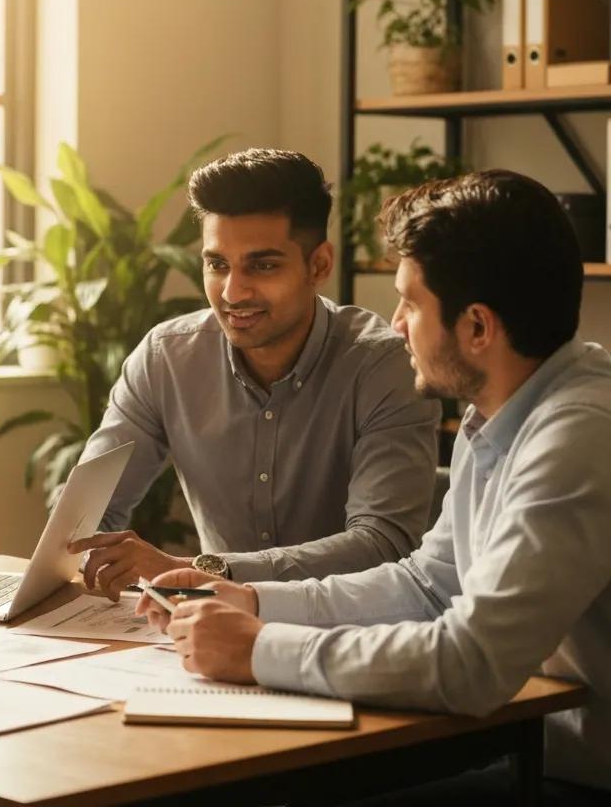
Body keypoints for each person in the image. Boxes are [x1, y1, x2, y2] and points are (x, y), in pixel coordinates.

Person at [144, 170, 611, 804]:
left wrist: (260, 650)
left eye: (410, 304)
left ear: (477, 328)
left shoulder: (577, 437)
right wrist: (254, 600)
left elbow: (471, 662)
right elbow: (427, 585)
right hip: (522, 749)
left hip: (576, 775)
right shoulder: (497, 412)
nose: (395, 325)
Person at [70, 148, 439, 600]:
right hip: (209, 628)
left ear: (319, 265)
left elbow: (382, 544)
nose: (232, 291)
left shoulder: (382, 365)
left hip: (349, 631)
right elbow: (85, 519)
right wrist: (90, 560)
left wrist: (205, 571)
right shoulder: (166, 358)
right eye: (216, 264)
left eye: (262, 266)